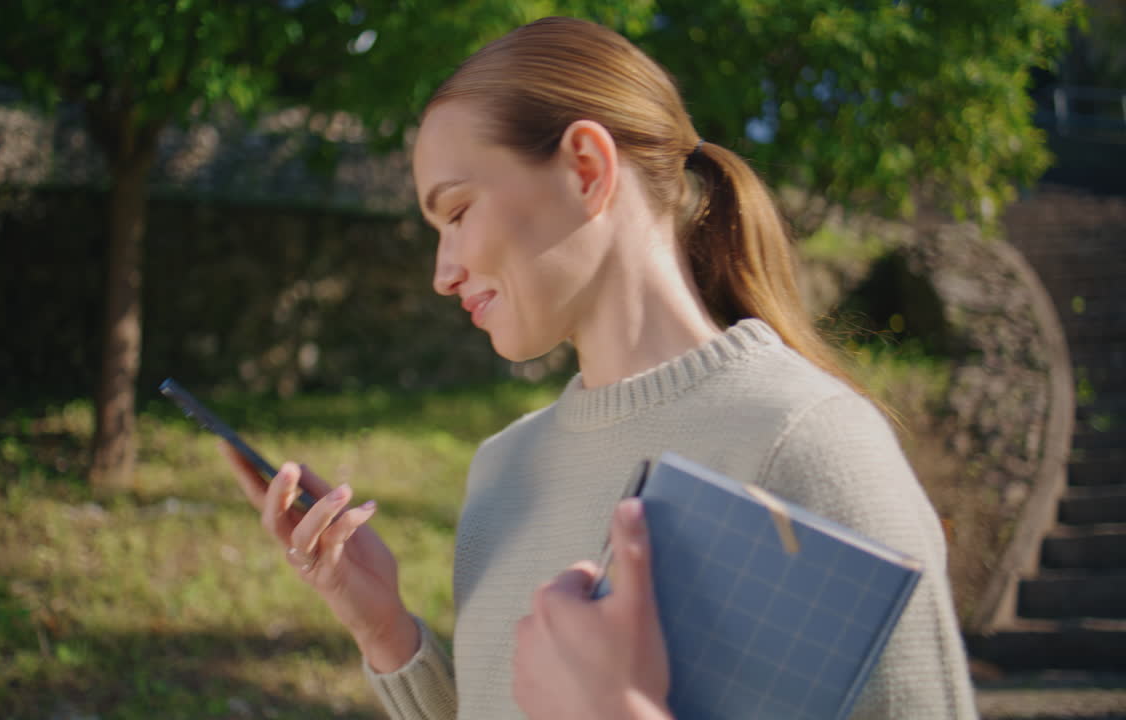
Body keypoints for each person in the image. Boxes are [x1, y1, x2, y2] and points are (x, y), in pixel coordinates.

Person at [221, 15, 978, 720]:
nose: (442, 273)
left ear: (585, 168)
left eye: (456, 213)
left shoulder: (809, 445)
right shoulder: (501, 471)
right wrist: (386, 630)